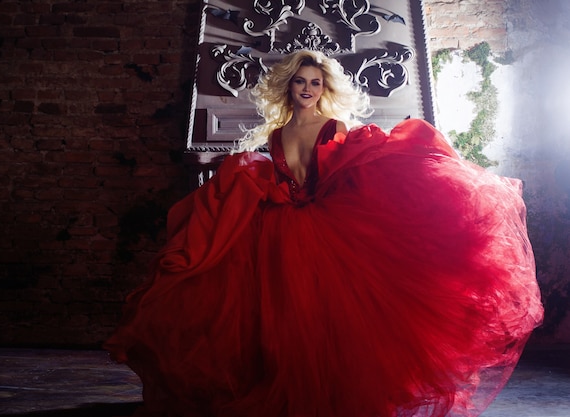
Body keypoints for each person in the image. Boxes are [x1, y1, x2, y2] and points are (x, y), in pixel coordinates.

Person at [104, 50, 544, 417]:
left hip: (319, 227)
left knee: (327, 317)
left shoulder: (333, 129)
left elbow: (350, 173)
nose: (308, 89)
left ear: (325, 89)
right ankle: (289, 392)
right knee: (283, 316)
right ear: (288, 88)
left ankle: (330, 395)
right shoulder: (276, 135)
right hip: (281, 227)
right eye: (300, 82)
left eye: (315, 82)